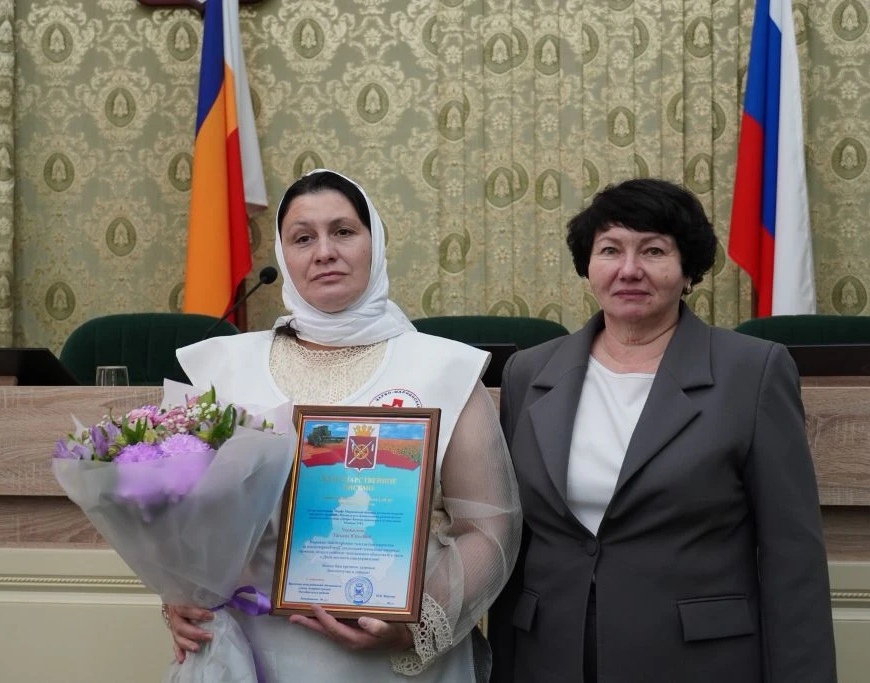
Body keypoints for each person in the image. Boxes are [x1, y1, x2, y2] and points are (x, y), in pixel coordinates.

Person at [165, 169, 522, 681]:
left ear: (374, 243)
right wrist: (177, 594)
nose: (324, 252)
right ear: (283, 255)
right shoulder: (223, 368)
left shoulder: (445, 368)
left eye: (343, 231)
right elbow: (179, 519)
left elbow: (490, 527)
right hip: (253, 650)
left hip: (392, 657)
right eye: (303, 238)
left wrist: (417, 622)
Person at [488, 178, 837, 682]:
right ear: (588, 265)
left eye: (653, 250)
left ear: (688, 270)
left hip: (696, 660)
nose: (629, 269)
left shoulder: (752, 372)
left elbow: (792, 555)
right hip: (550, 656)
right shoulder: (529, 372)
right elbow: (514, 541)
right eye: (610, 249)